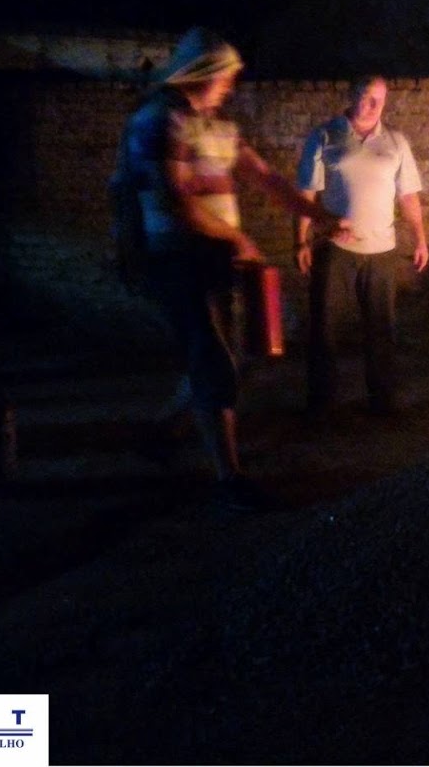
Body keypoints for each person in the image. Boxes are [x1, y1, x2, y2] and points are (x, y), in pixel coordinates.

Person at [114, 27, 342, 509]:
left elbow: (265, 177)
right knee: (214, 359)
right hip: (179, 258)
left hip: (214, 257)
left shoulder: (216, 127)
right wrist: (237, 237)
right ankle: (229, 481)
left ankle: (159, 434)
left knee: (229, 356)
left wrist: (318, 214)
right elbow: (175, 202)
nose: (231, 86)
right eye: (227, 77)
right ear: (205, 72)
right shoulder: (160, 120)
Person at [296, 76, 429, 419]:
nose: (373, 106)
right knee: (325, 329)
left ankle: (383, 401)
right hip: (336, 249)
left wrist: (420, 238)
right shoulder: (325, 135)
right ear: (352, 95)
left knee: (382, 329)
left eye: (379, 100)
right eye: (367, 97)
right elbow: (307, 193)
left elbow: (409, 195)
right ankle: (322, 404)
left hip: (382, 250)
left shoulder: (396, 142)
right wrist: (301, 240)